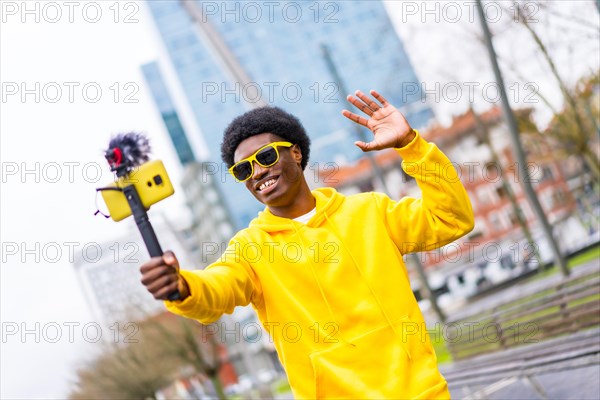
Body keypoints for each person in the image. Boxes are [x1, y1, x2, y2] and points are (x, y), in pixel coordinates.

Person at [140, 90, 474, 399]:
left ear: (296, 152)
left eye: (266, 156)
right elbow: (217, 288)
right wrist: (182, 286)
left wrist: (412, 146)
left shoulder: (369, 211)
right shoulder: (249, 249)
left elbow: (451, 218)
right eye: (243, 169)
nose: (257, 172)